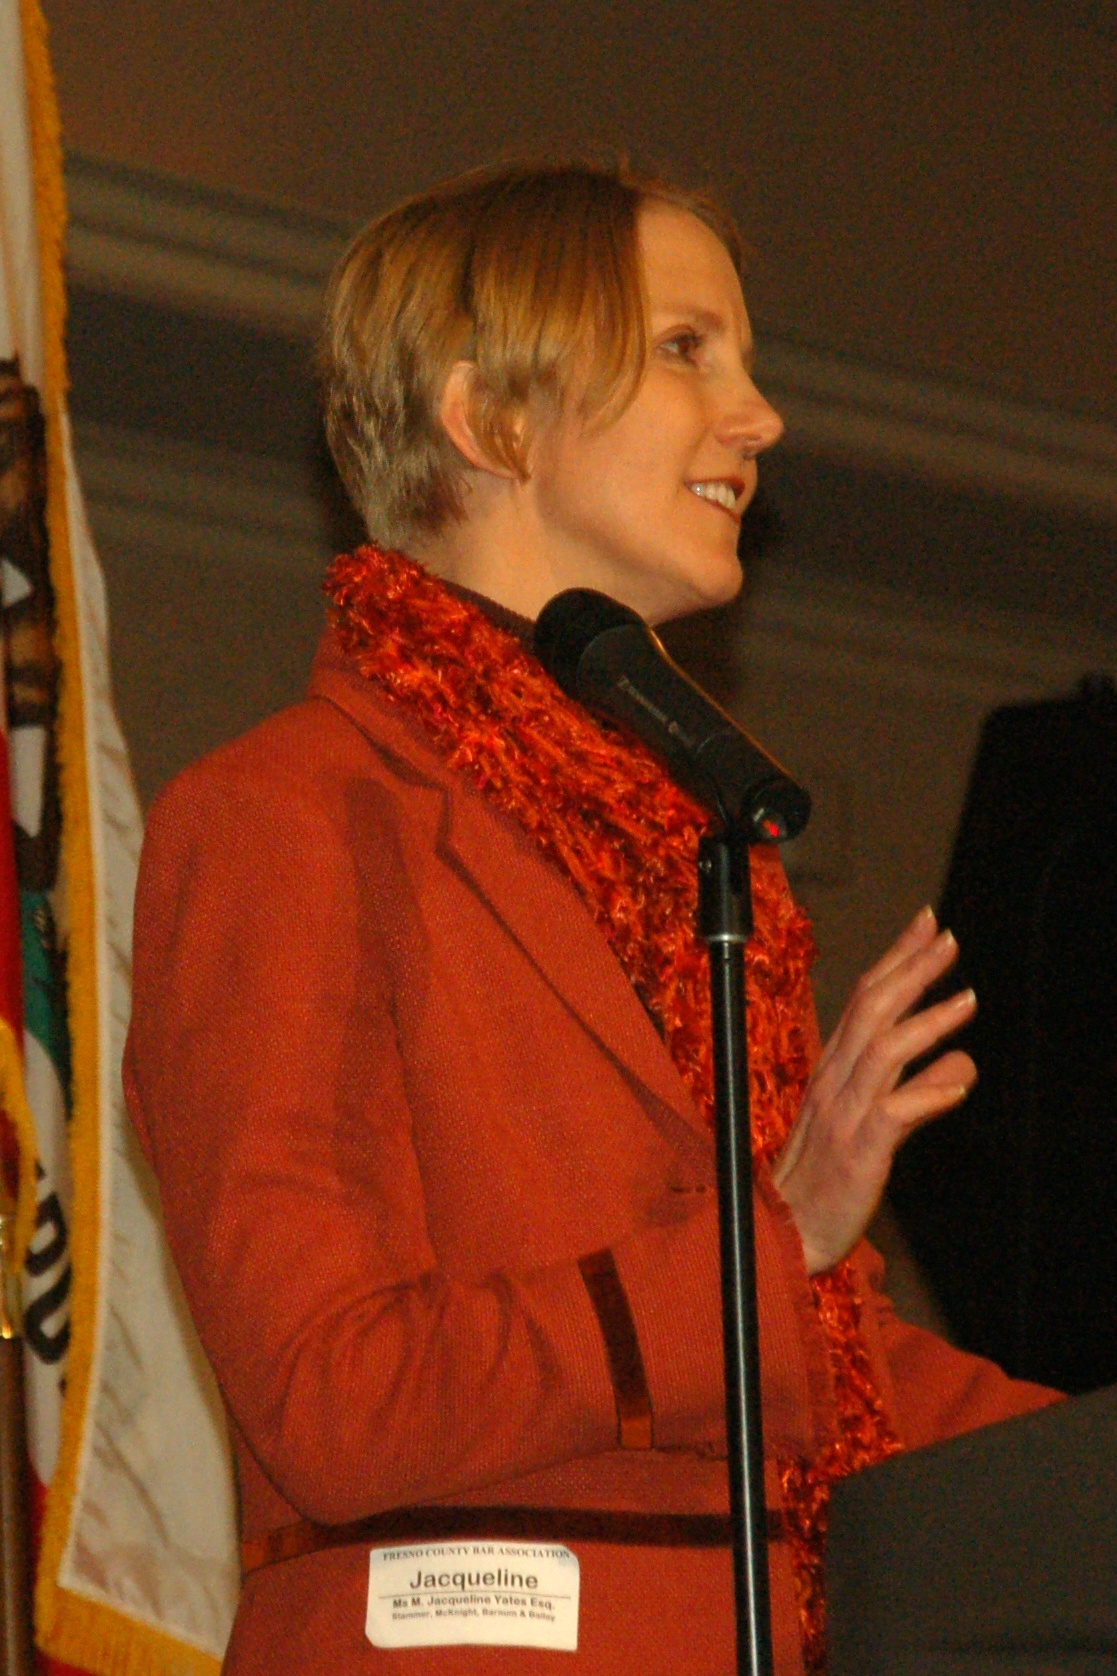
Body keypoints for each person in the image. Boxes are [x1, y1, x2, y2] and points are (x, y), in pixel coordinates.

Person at [123, 161, 1056, 1676]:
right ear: (489, 419)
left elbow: (831, 1368)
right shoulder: (285, 815)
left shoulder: (694, 852)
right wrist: (767, 1249)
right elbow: (328, 1396)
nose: (759, 417)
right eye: (688, 350)